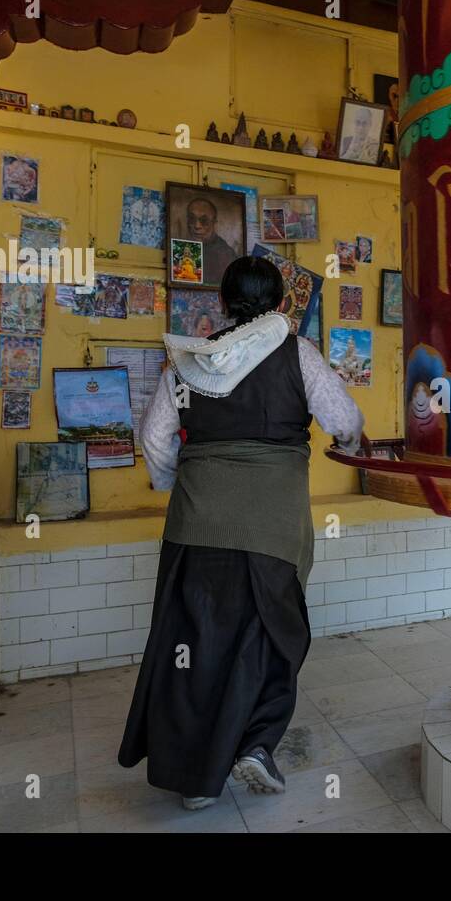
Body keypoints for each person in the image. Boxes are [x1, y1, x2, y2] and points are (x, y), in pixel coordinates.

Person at [119, 255, 363, 810]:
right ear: (281, 304)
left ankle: (192, 780)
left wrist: (175, 484)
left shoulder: (185, 361)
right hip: (272, 528)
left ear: (222, 304)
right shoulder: (297, 354)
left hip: (193, 525)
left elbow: (155, 438)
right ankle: (255, 745)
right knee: (271, 635)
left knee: (192, 644)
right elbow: (343, 420)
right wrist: (348, 445)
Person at [184, 196, 239, 284]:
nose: (197, 226)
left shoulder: (225, 254)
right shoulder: (182, 247)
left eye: (204, 221)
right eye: (192, 219)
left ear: (214, 224)